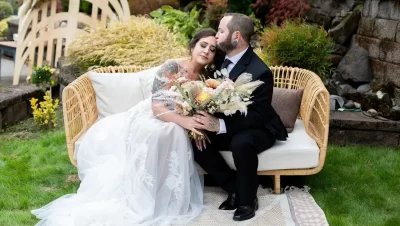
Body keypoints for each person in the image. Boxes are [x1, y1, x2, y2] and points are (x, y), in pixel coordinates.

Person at [31, 29, 218, 226]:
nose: (206, 51)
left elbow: (196, 109)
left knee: (175, 131)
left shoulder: (207, 80)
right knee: (166, 131)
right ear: (192, 46)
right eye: (203, 45)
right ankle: (145, 196)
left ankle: (167, 196)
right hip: (152, 116)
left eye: (212, 49)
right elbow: (157, 107)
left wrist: (195, 124)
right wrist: (185, 122)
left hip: (176, 120)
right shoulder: (172, 67)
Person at [191, 13, 288, 221]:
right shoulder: (219, 57)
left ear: (236, 36)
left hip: (259, 126)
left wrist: (220, 125)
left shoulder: (259, 72)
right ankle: (234, 188)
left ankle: (247, 200)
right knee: (196, 137)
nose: (216, 36)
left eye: (221, 31)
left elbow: (258, 116)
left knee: (241, 143)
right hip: (228, 123)